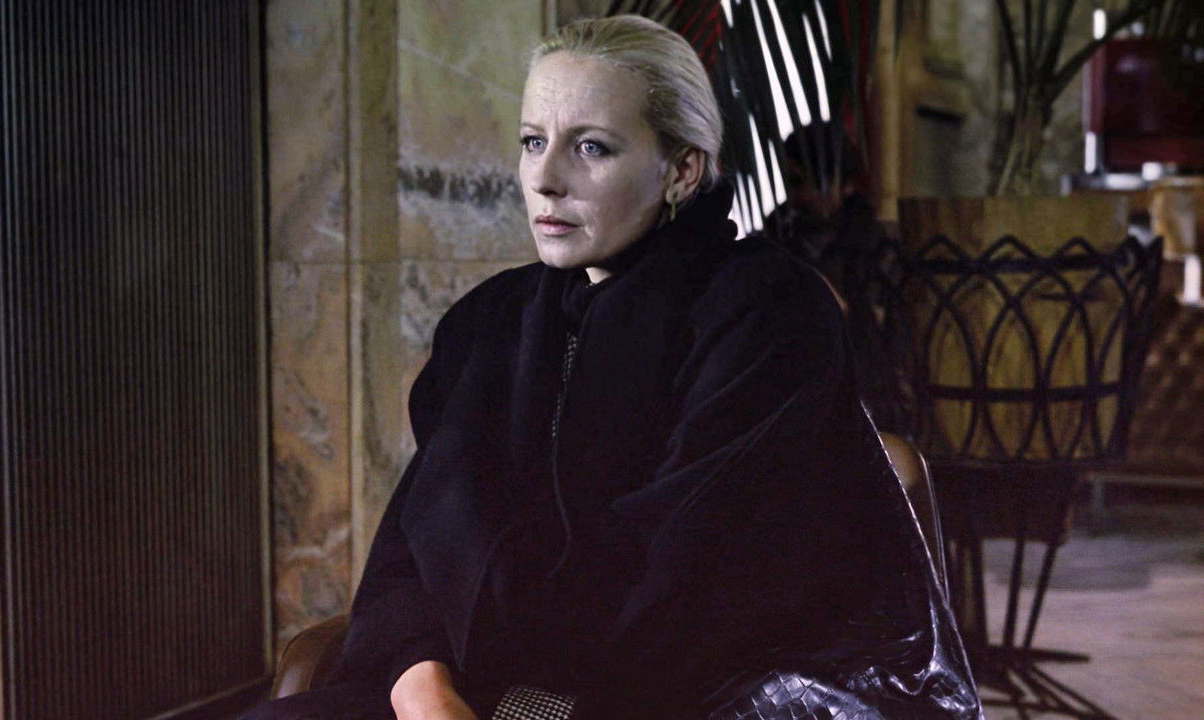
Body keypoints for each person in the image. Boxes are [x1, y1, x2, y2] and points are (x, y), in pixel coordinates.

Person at [243, 15, 980, 720]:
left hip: (700, 693)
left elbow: (677, 589)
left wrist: (506, 673)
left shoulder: (769, 314)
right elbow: (413, 549)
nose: (545, 178)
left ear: (682, 170)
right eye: (533, 141)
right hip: (488, 684)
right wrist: (425, 694)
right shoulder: (491, 322)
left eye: (591, 147)